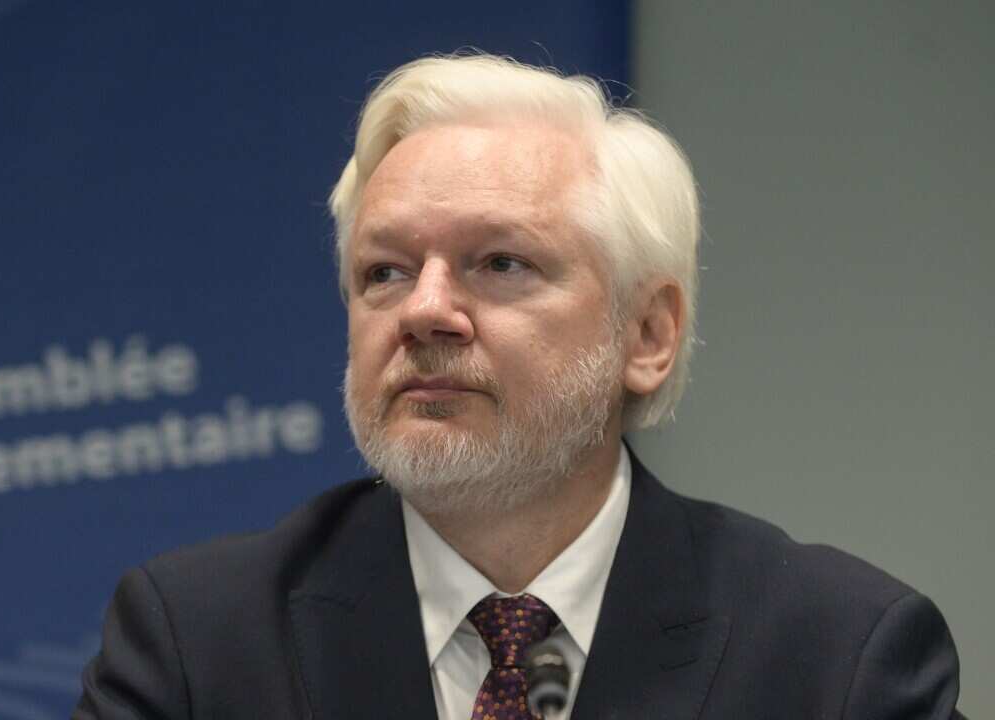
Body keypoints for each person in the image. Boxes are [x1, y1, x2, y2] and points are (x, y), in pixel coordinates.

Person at [73, 53, 963, 719]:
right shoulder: (197, 645)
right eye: (384, 272)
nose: (423, 311)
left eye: (499, 263)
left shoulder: (839, 657)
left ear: (647, 335)